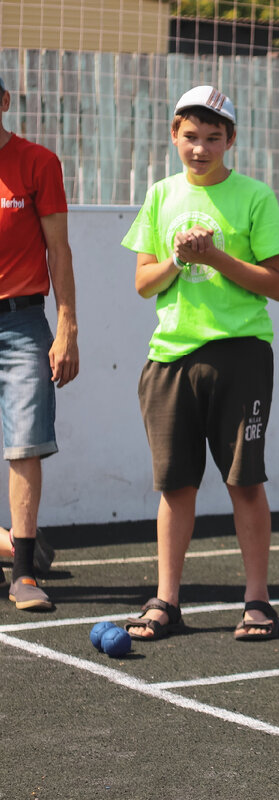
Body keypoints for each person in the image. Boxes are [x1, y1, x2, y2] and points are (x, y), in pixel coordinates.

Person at [120, 85, 279, 641]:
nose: (200, 148)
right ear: (174, 135)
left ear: (231, 140)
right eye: (190, 137)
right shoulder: (160, 195)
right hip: (170, 357)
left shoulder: (254, 197)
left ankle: (258, 601)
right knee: (175, 486)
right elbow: (144, 283)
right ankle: (167, 601)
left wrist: (214, 254)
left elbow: (278, 286)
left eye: (213, 137)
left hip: (240, 355)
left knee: (245, 481)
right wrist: (178, 257)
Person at [0, 74, 80, 611]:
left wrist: (67, 324)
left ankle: (23, 573)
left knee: (26, 444)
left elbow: (59, 249)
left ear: (3, 102)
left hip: (23, 324)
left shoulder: (37, 162)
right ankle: (8, 543)